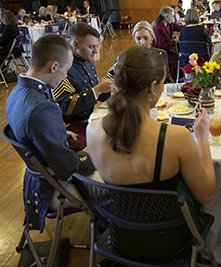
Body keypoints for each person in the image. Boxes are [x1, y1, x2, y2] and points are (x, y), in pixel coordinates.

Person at [86, 45, 215, 261]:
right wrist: (202, 137)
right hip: (169, 244)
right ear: (152, 87)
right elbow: (207, 194)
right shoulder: (176, 138)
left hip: (121, 240)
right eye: (163, 83)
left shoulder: (93, 130)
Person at [5, 33, 96, 233]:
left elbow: (32, 130)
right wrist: (93, 152)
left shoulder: (16, 92)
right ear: (54, 67)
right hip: (55, 186)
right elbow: (68, 168)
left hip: (37, 180)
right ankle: (108, 231)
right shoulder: (42, 108)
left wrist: (59, 131)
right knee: (115, 174)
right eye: (66, 70)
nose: (65, 76)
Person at [52, 22, 113, 151]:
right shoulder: (64, 67)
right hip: (70, 127)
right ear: (76, 44)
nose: (96, 51)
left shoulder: (88, 62)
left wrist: (109, 88)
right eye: (91, 46)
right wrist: (98, 89)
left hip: (88, 120)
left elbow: (100, 96)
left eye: (97, 46)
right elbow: (65, 107)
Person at [106, 21, 172, 83]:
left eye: (146, 38)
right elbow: (108, 80)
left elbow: (167, 79)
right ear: (134, 38)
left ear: (152, 38)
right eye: (138, 38)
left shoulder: (161, 55)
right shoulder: (124, 56)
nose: (142, 42)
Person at [154, 6, 183, 82]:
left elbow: (178, 27)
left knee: (179, 54)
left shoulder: (169, 24)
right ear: (166, 17)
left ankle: (178, 77)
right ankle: (174, 79)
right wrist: (174, 41)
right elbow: (161, 46)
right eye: (172, 16)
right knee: (177, 58)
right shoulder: (159, 28)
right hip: (162, 53)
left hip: (168, 49)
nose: (173, 18)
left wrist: (189, 27)